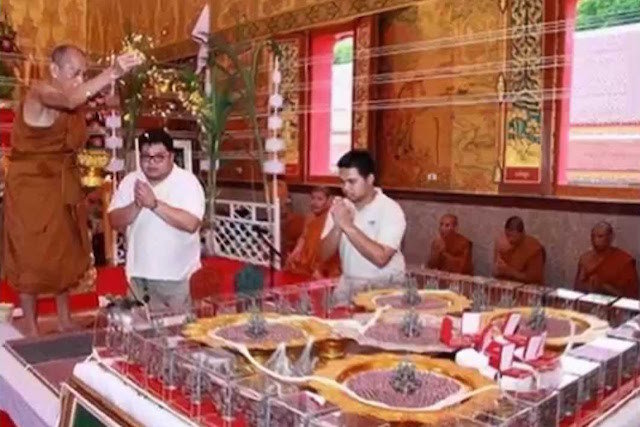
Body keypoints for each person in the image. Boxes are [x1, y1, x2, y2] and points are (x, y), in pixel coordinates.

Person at [2, 44, 141, 335]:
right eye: (74, 73)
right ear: (54, 70)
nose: (79, 80)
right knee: (32, 252)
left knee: (65, 250)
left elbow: (74, 125)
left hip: (64, 183)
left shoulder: (76, 103)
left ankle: (64, 318)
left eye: (83, 74)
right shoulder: (40, 92)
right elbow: (67, 100)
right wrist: (112, 72)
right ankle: (31, 325)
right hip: (31, 185)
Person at [108, 129, 205, 312]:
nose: (151, 163)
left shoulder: (187, 182)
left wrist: (154, 204)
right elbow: (113, 220)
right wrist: (137, 205)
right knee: (140, 328)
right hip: (139, 278)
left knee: (178, 329)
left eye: (159, 157)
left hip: (177, 279)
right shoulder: (131, 181)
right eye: (146, 157)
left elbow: (191, 223)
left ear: (171, 156)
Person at [320, 150, 406, 299]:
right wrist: (337, 227)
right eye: (342, 182)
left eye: (352, 182)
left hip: (385, 286)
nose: (345, 188)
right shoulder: (341, 208)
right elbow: (322, 255)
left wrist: (347, 226)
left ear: (370, 179)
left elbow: (381, 258)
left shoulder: (390, 209)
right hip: (349, 283)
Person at [285, 186, 341, 278]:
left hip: (326, 262)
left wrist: (319, 266)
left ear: (329, 201)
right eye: (313, 198)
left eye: (319, 199)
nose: (314, 203)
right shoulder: (310, 217)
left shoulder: (331, 218)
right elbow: (303, 237)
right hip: (307, 261)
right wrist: (296, 252)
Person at [575, 221, 639, 298]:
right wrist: (585, 284)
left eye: (600, 236)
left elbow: (631, 297)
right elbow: (577, 289)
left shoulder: (625, 261)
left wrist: (603, 287)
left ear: (610, 237)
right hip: (588, 302)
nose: (595, 240)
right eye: (593, 236)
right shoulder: (585, 258)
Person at [493, 216, 545, 285]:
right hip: (505, 285)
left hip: (526, 287)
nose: (510, 240)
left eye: (513, 236)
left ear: (522, 233)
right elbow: (496, 271)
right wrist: (498, 270)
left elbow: (534, 279)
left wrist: (511, 272)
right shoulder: (501, 242)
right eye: (508, 235)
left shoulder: (534, 248)